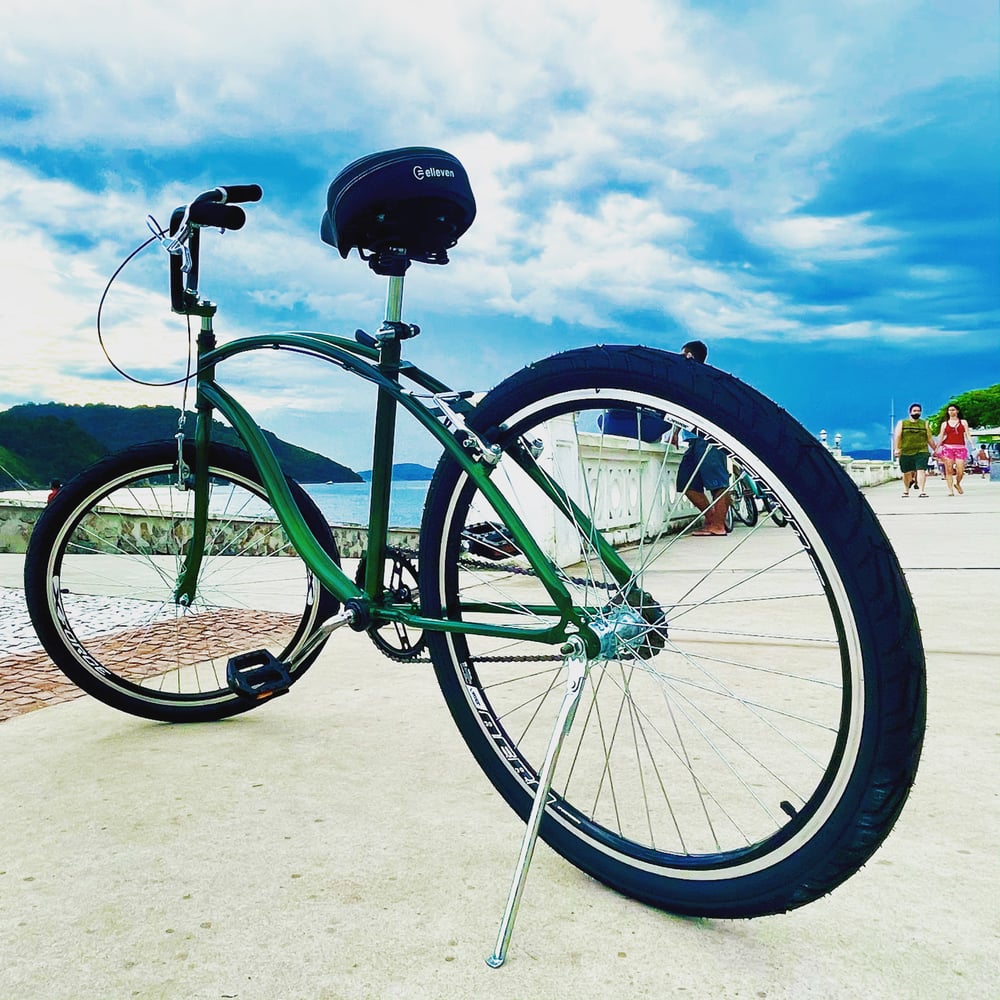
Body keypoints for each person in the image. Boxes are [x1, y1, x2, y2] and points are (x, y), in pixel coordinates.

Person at [675, 340, 730, 535]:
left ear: (689, 355)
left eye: (682, 355)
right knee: (686, 483)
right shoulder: (687, 379)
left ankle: (719, 525)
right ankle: (711, 520)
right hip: (691, 438)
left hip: (708, 438)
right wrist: (674, 434)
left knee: (717, 482)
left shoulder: (704, 378)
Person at [893, 403, 935, 497]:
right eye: (915, 411)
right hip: (906, 451)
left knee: (921, 470)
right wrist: (897, 448)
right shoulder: (902, 423)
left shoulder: (924, 423)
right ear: (910, 412)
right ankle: (906, 490)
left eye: (919, 411)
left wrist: (935, 450)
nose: (917, 412)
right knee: (906, 472)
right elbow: (898, 436)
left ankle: (921, 491)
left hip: (921, 450)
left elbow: (929, 438)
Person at [935, 404, 976, 496]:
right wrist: (936, 449)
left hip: (960, 448)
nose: (951, 412)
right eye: (949, 410)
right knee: (948, 470)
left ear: (957, 411)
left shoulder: (963, 422)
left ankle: (957, 483)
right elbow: (941, 437)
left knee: (960, 470)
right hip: (948, 448)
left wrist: (972, 443)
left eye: (953, 410)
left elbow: (967, 434)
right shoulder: (945, 424)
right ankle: (950, 490)